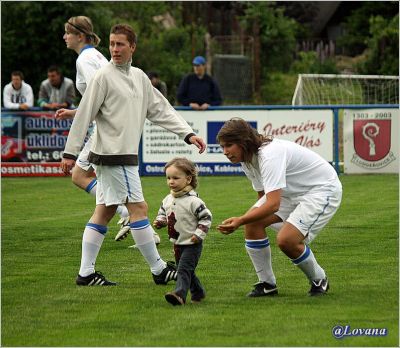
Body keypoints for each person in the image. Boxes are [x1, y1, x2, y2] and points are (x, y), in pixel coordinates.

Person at [60, 23, 207, 287]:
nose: (114, 49)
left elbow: (161, 110)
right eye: (112, 44)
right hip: (114, 157)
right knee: (139, 209)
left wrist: (188, 134)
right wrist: (70, 153)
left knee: (104, 212)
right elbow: (85, 114)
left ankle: (85, 273)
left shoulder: (139, 77)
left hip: (117, 157)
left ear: (132, 47)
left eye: (120, 44)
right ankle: (159, 269)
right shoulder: (103, 76)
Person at [216, 118, 342, 297]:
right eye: (222, 147)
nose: (225, 152)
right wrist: (250, 219)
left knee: (286, 240)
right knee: (253, 223)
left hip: (321, 190)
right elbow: (263, 198)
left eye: (229, 145)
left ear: (244, 142)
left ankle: (319, 279)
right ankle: (267, 284)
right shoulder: (246, 158)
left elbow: (273, 204)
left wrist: (240, 220)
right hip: (290, 193)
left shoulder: (269, 154)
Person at [55, 16, 133, 241]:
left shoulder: (85, 59)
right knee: (107, 180)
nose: (64, 37)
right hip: (112, 125)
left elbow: (99, 94)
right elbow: (97, 95)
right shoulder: (96, 55)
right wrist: (74, 112)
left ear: (80, 36)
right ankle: (136, 220)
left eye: (68, 33)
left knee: (79, 175)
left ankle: (127, 213)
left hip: (105, 128)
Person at [153, 157, 212, 306]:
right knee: (187, 270)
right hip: (177, 243)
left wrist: (198, 235)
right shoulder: (167, 199)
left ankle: (179, 295)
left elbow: (206, 218)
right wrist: (160, 221)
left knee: (183, 270)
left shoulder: (194, 201)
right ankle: (198, 292)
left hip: (192, 243)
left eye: (175, 178)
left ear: (188, 179)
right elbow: (163, 212)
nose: (171, 181)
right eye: (168, 178)